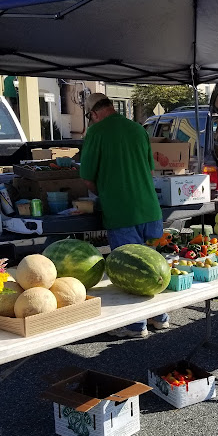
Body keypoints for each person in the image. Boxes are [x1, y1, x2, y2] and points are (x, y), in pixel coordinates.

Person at [79, 92, 169, 339]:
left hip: (122, 211)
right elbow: (150, 168)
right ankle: (159, 317)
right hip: (151, 209)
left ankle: (134, 325)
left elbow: (87, 177)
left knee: (132, 270)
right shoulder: (138, 129)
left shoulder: (96, 132)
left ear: (93, 114)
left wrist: (103, 193)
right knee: (153, 269)